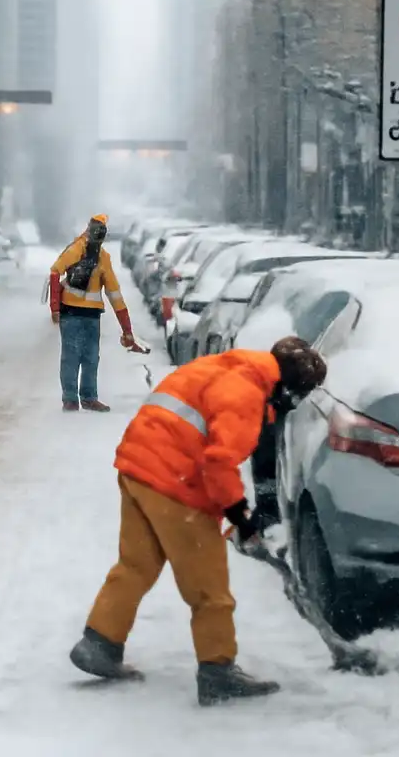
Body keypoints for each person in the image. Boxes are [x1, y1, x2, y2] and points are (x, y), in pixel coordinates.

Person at [67, 337, 328, 707]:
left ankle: (99, 643)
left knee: (136, 565)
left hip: (137, 469)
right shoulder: (246, 394)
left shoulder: (226, 366)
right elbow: (219, 462)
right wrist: (240, 515)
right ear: (286, 387)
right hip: (175, 483)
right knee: (209, 589)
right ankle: (217, 671)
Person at [49, 215, 139, 411]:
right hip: (73, 314)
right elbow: (55, 271)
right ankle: (72, 399)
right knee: (74, 356)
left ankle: (87, 398)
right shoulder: (77, 249)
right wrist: (54, 307)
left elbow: (115, 294)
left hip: (89, 316)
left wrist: (127, 328)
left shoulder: (102, 258)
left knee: (88, 357)